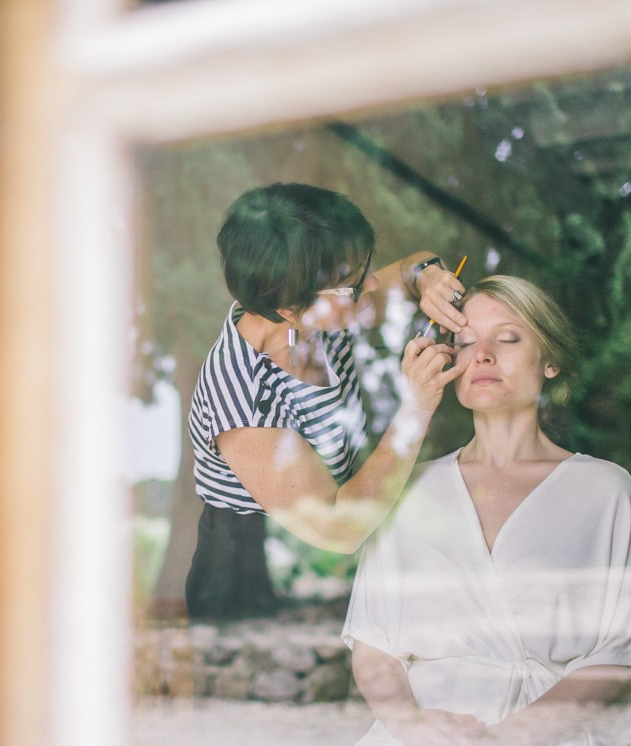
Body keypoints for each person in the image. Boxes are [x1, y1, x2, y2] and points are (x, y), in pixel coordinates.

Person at [294, 275, 631, 746]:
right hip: (419, 728)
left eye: (509, 338)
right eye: (466, 342)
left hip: (540, 736)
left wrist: (501, 742)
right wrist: (414, 727)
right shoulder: (411, 489)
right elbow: (373, 645)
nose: (483, 354)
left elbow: (615, 663)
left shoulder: (603, 490)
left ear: (551, 363)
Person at [185, 182, 470, 619]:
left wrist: (428, 276)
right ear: (288, 311)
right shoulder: (244, 400)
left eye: (365, 267)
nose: (373, 284)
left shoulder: (320, 310)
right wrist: (416, 408)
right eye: (354, 285)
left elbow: (410, 273)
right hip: (256, 588)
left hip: (346, 548)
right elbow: (340, 528)